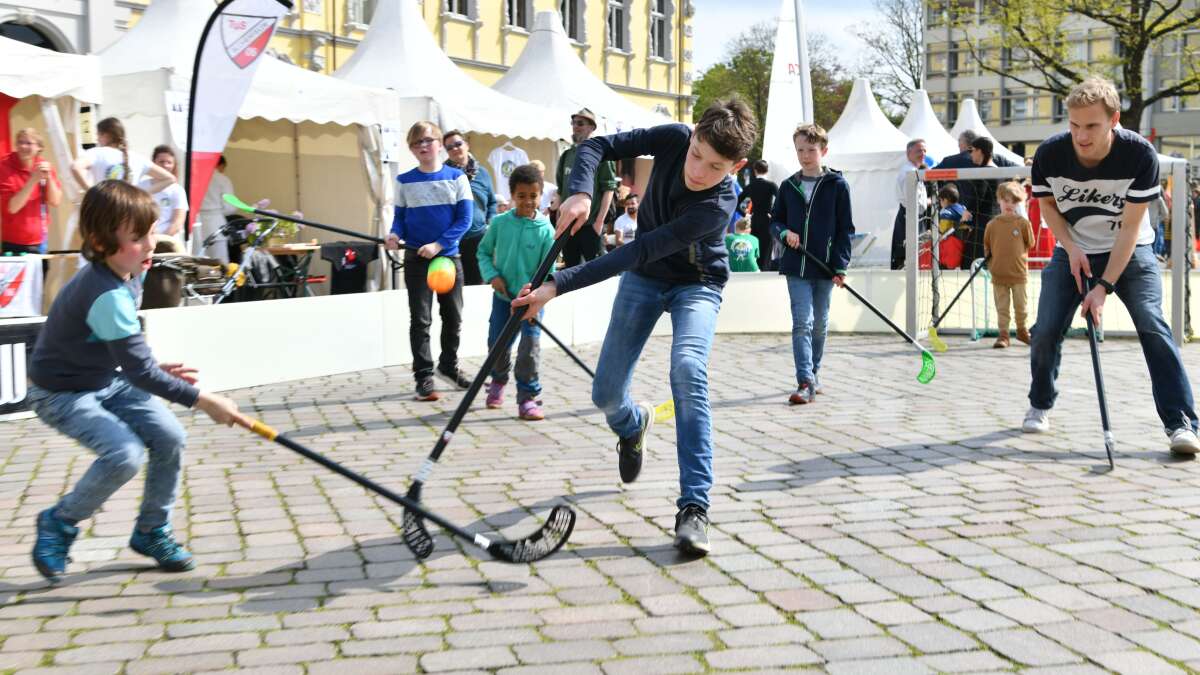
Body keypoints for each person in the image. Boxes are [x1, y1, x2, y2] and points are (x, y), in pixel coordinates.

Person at [512, 99, 756, 557]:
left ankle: (694, 508)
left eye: (716, 166)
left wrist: (557, 284)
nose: (698, 170)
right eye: (697, 153)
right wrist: (580, 190)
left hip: (696, 285)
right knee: (605, 394)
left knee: (687, 371)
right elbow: (597, 145)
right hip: (645, 281)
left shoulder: (718, 204)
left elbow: (638, 251)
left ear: (736, 166)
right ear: (694, 134)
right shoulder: (672, 138)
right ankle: (632, 423)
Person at [26, 180, 240, 583]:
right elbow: (139, 370)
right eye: (137, 238)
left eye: (152, 232)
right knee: (124, 455)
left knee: (170, 438)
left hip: (107, 378)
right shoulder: (104, 290)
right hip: (61, 394)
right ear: (99, 241)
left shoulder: (129, 270)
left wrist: (151, 366)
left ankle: (151, 531)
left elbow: (129, 356)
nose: (150, 244)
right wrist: (204, 400)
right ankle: (59, 522)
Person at [1023, 76, 1200, 454]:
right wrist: (1070, 247)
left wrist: (1102, 287)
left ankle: (1181, 423)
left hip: (1131, 249)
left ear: (1114, 119)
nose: (1081, 135)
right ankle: (1040, 403)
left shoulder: (1139, 155)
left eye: (1091, 126)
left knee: (1153, 325)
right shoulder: (1050, 154)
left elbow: (1131, 230)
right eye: (1074, 125)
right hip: (1074, 247)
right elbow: (1048, 208)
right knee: (1045, 329)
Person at [385, 121, 473, 400]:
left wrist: (438, 245)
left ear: (439, 144)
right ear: (411, 149)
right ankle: (423, 377)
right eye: (416, 143)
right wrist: (394, 234)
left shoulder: (457, 178)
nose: (423, 146)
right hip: (416, 260)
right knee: (420, 320)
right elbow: (400, 218)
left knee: (453, 317)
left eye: (427, 140)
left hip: (448, 258)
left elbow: (465, 220)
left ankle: (448, 365)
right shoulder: (404, 181)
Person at [771, 123, 855, 405]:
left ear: (824, 150)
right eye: (800, 150)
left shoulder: (837, 186)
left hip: (825, 266)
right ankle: (804, 380)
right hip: (796, 266)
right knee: (802, 323)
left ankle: (814, 373)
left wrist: (841, 265)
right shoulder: (788, 186)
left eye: (810, 150)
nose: (805, 155)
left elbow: (846, 229)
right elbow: (775, 221)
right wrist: (784, 233)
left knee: (819, 324)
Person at [477, 164, 555, 421]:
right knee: (496, 345)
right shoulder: (499, 224)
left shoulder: (546, 231)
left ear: (540, 195)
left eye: (533, 196)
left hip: (531, 303)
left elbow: (548, 272)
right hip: (503, 299)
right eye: (521, 196)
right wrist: (492, 276)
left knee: (529, 349)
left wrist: (536, 295)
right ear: (512, 195)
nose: (527, 202)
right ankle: (498, 380)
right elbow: (483, 253)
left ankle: (527, 398)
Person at [556, 108, 618, 267]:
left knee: (594, 273)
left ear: (592, 127)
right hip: (569, 225)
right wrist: (558, 216)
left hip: (591, 225)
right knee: (569, 271)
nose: (575, 126)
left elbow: (609, 189)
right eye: (574, 123)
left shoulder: (601, 154)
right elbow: (560, 190)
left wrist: (599, 222)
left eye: (580, 123)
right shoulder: (566, 155)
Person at [983, 181, 1035, 348]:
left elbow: (1030, 243)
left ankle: (1022, 331)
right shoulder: (992, 225)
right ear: (999, 200)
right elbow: (987, 247)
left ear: (1019, 203)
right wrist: (993, 265)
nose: (1009, 205)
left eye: (1014, 201)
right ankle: (1003, 335)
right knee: (1002, 308)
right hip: (998, 275)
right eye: (1006, 200)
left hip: (1019, 274)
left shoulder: (1022, 223)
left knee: (1021, 306)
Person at [443, 130, 497, 286]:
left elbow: (492, 202)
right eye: (449, 147)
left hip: (478, 239)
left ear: (467, 145)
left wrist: (490, 223)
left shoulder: (483, 173)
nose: (454, 149)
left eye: (458, 144)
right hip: (452, 240)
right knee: (453, 286)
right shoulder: (443, 174)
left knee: (477, 286)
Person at [0, 128, 62, 255]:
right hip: (13, 243)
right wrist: (33, 180)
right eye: (20, 142)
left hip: (40, 242)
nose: (23, 146)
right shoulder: (4, 166)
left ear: (39, 147)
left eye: (28, 143)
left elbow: (55, 201)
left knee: (41, 274)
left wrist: (49, 177)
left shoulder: (43, 165)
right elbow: (12, 208)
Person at [142, 145, 188, 251]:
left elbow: (178, 222)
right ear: (154, 163)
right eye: (161, 162)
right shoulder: (141, 186)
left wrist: (160, 240)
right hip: (145, 242)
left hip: (168, 243)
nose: (165, 165)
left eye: (169, 162)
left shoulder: (177, 190)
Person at [891, 139, 928, 270]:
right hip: (910, 219)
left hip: (914, 217)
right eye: (919, 151)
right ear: (908, 153)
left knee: (916, 260)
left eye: (924, 150)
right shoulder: (909, 172)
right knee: (907, 261)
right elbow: (911, 200)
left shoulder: (914, 170)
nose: (923, 153)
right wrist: (930, 202)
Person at [195, 155, 238, 263]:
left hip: (197, 223)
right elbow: (230, 207)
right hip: (216, 224)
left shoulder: (195, 176)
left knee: (198, 262)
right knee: (220, 264)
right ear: (221, 165)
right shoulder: (222, 179)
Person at [741, 159, 778, 272]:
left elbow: (737, 200)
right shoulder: (771, 185)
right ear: (767, 170)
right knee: (766, 247)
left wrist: (745, 213)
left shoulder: (751, 186)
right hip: (767, 219)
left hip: (754, 219)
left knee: (755, 246)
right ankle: (764, 269)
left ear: (755, 170)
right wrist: (774, 213)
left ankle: (754, 268)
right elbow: (782, 200)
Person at [935, 183, 966, 269]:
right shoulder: (962, 207)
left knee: (948, 260)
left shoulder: (946, 211)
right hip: (962, 238)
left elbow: (944, 227)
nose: (940, 203)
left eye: (940, 200)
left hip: (952, 240)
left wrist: (939, 233)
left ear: (945, 200)